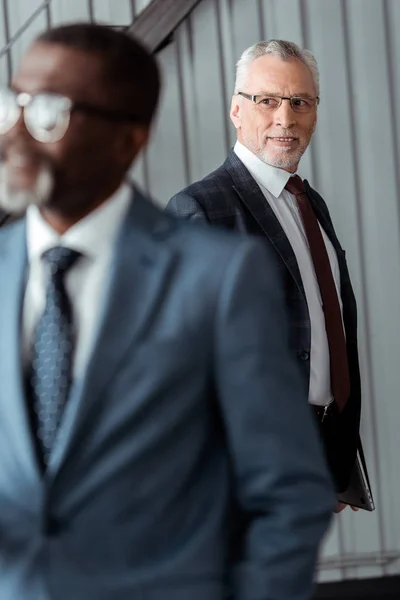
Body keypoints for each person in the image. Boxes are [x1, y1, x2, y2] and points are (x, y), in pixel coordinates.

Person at [0, 25, 334, 600]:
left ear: (128, 139)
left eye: (51, 112)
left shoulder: (217, 276)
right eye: (13, 106)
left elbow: (286, 493)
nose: (17, 133)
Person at [167, 40, 363, 507]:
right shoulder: (201, 208)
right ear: (237, 110)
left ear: (315, 112)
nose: (285, 118)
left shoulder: (308, 203)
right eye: (267, 100)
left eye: (300, 102)